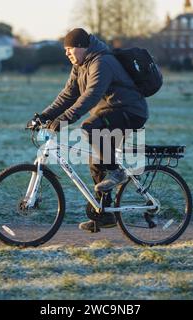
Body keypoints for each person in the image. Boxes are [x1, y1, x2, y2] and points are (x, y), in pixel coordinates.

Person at [30, 28, 149, 233]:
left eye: (70, 49)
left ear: (82, 47)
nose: (67, 53)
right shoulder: (80, 65)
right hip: (110, 113)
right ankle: (105, 215)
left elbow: (91, 96)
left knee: (89, 127)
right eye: (65, 50)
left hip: (129, 111)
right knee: (96, 161)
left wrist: (63, 120)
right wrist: (44, 116)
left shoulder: (102, 62)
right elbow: (67, 96)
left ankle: (117, 172)